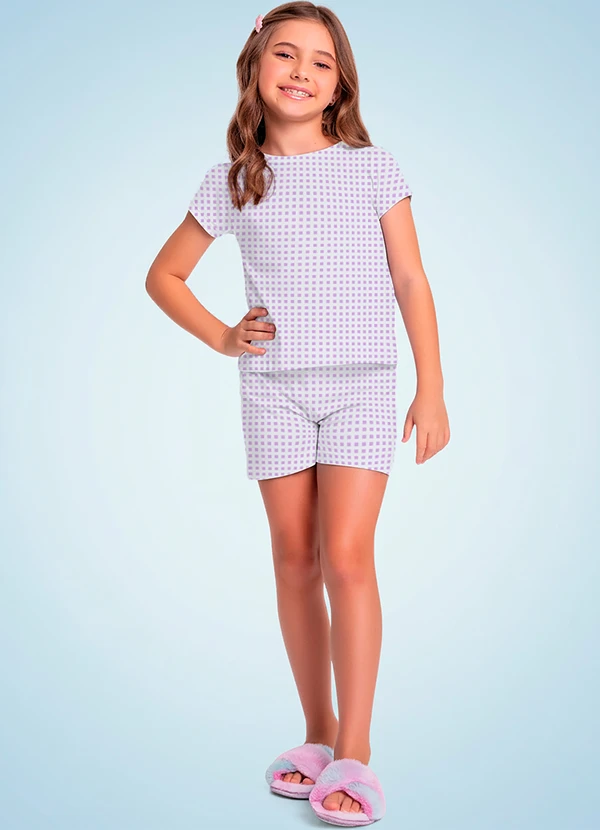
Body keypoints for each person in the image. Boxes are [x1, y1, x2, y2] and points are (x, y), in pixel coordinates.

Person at [146, 2, 450, 825]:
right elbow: (164, 275)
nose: (301, 71)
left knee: (346, 558)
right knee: (293, 560)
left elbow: (411, 279)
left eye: (321, 61)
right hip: (273, 389)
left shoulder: (372, 168)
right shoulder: (233, 181)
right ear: (255, 67)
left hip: (361, 385)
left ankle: (357, 749)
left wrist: (431, 387)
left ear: (340, 85)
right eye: (285, 54)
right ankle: (317, 733)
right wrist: (222, 335)